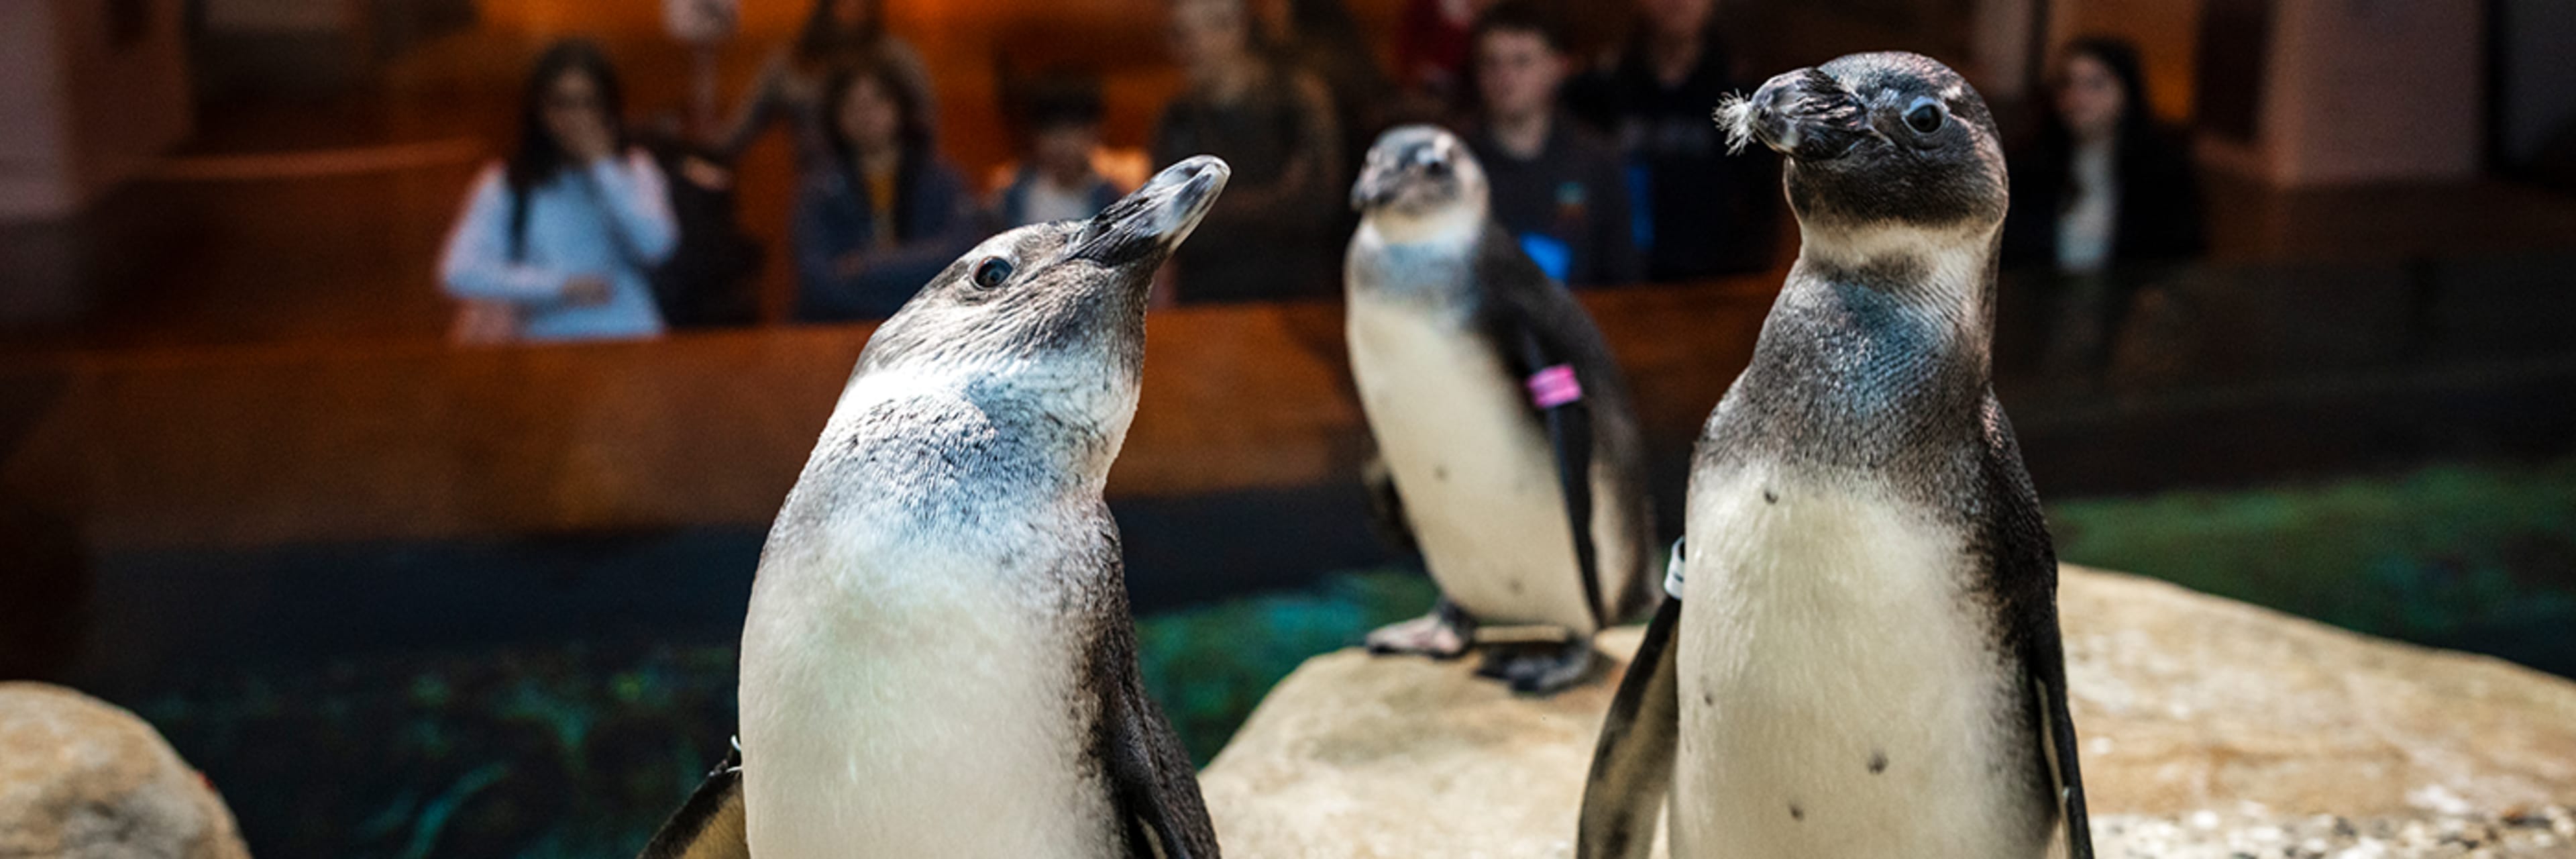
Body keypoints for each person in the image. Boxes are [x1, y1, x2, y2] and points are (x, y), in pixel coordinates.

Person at [440, 40, 677, 343]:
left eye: (588, 103)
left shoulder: (634, 169)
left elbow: (657, 245)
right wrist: (560, 286)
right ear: (539, 110)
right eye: (561, 104)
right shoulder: (508, 183)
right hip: (547, 348)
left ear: (608, 108)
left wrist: (603, 168)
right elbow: (459, 271)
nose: (575, 119)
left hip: (630, 338)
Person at [1564, 0, 1778, 280]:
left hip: (1713, 291)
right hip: (1610, 286)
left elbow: (1762, 213)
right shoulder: (1595, 93)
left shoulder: (1744, 97)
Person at [1152, 0, 1344, 303]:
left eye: (1191, 35)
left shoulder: (1296, 100)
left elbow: (1314, 206)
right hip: (1205, 305)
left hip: (1292, 302)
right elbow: (1166, 222)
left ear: (1234, 28)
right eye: (1176, 35)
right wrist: (1272, 201)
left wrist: (1211, 210)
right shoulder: (1177, 119)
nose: (1183, 50)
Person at [793, 54, 982, 321]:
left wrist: (867, 265)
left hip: (930, 323)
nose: (865, 115)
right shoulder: (820, 187)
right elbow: (817, 277)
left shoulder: (944, 179)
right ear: (835, 117)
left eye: (877, 101)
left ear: (900, 107)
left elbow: (958, 254)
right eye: (851, 104)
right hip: (843, 326)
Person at [1465, 1, 1639, 287]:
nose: (1505, 78)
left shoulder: (1598, 163)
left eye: (1522, 62)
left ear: (1558, 67)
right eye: (1491, 62)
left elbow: (1625, 277)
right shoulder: (1454, 166)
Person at [2002, 36, 2208, 274]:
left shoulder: (2163, 174)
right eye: (2067, 83)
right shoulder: (2027, 165)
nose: (2077, 97)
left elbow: (2181, 260)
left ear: (2127, 93)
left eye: (2095, 84)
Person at [709, 0, 930, 164]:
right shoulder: (792, 62)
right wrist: (699, 153)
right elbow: (740, 131)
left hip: (887, 189)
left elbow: (925, 129)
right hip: (817, 188)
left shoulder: (896, 58)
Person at [991, 72, 1125, 229]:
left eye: (1071, 131)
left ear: (1095, 133)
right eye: (1050, 132)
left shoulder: (1110, 200)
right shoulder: (1014, 195)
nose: (1060, 144)